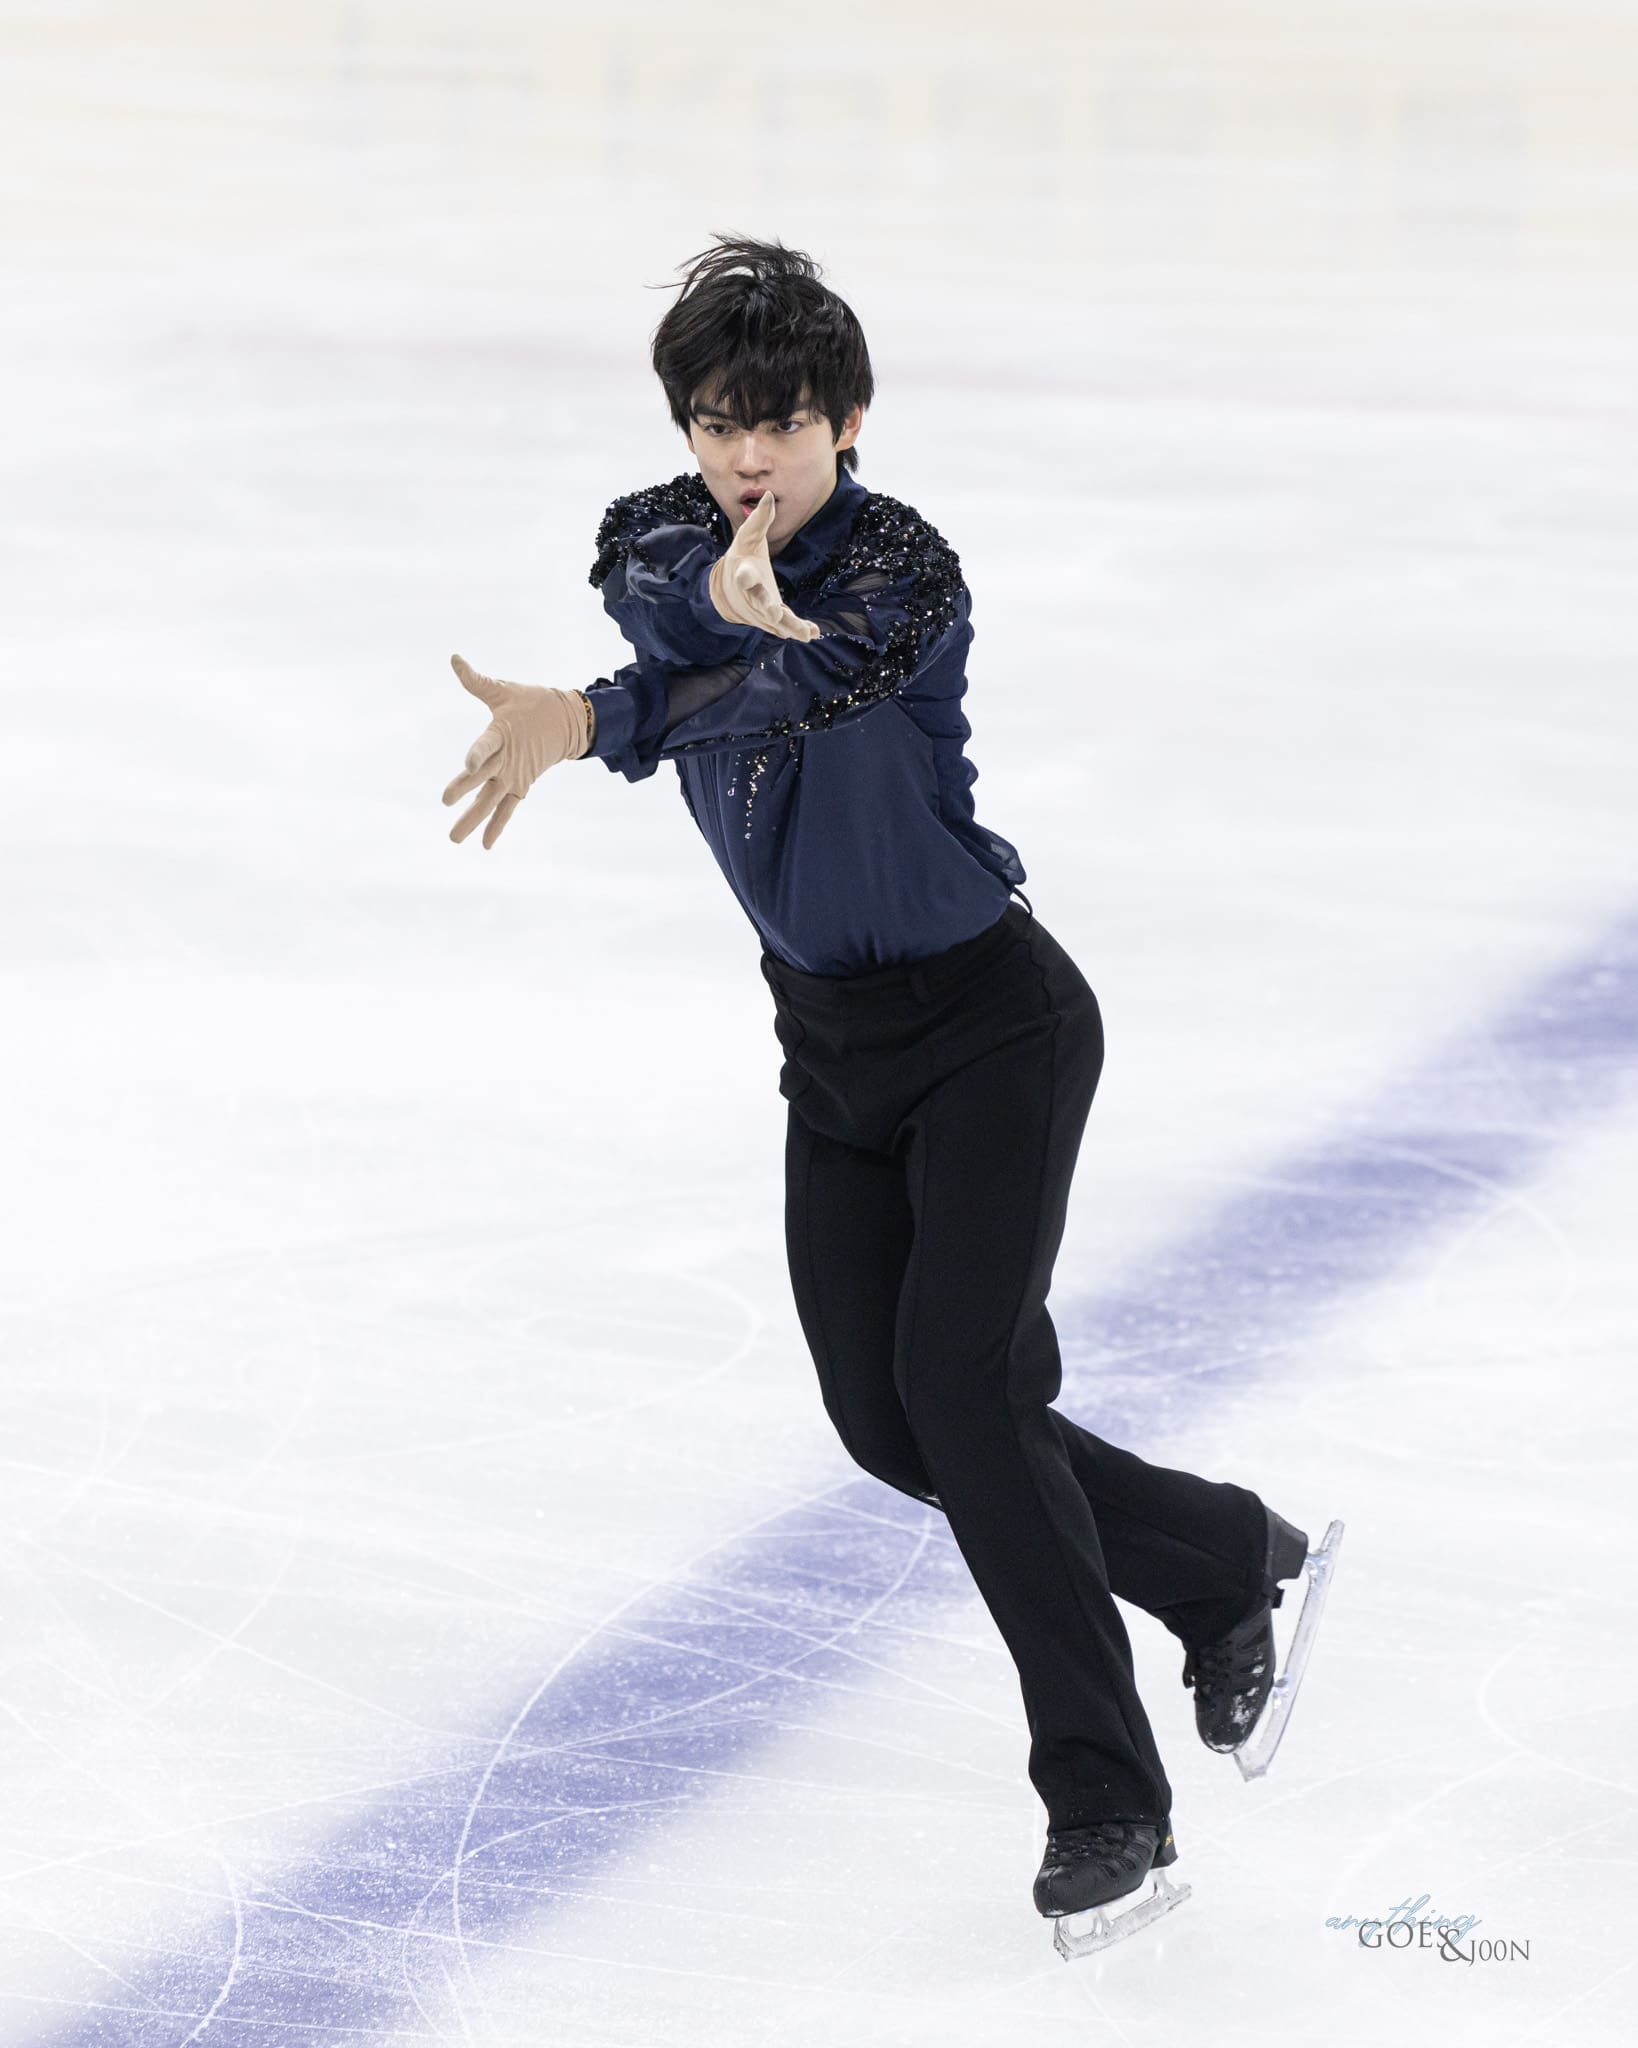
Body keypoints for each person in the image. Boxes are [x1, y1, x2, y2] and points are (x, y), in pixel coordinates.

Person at [439, 235, 1341, 1955]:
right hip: (831, 1049)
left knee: (966, 1390)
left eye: (781, 420)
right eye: (719, 422)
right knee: (889, 1421)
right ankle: (1220, 1560)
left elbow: (800, 679)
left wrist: (615, 713)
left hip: (994, 1027)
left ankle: (1105, 1802)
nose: (747, 455)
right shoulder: (652, 540)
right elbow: (668, 623)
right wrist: (637, 674)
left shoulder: (906, 571)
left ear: (846, 420)